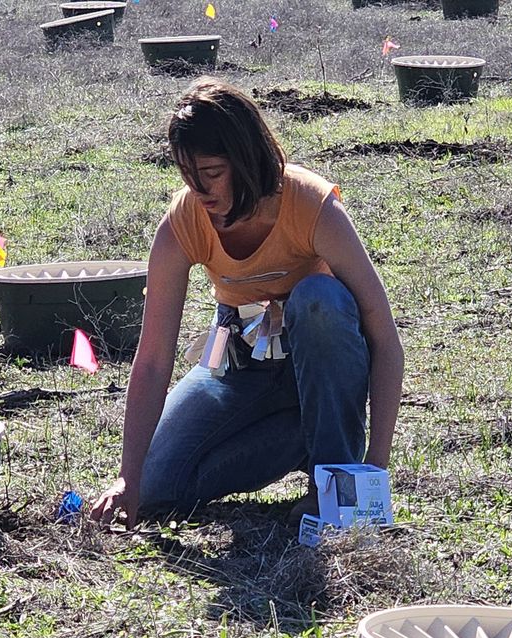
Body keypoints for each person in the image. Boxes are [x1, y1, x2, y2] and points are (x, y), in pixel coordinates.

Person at [90, 77, 403, 530]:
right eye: (187, 175)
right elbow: (155, 358)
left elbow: (384, 337)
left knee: (318, 299)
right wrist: (127, 478)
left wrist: (376, 465)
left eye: (213, 174)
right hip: (240, 358)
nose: (200, 191)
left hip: (321, 359)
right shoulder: (182, 222)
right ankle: (306, 439)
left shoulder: (311, 205)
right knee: (158, 484)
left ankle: (334, 479)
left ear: (246, 158)